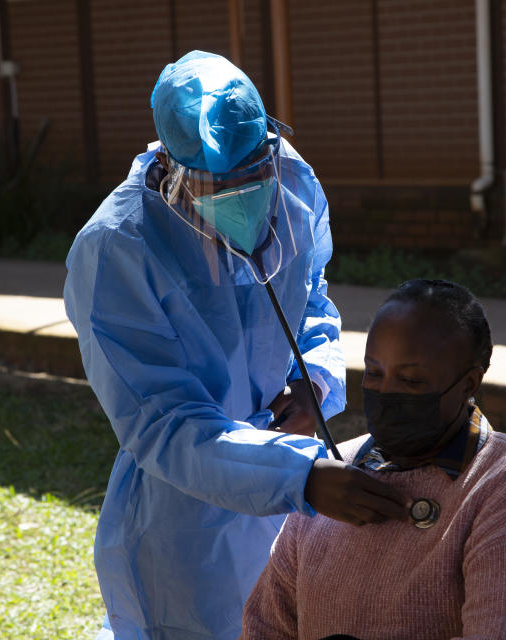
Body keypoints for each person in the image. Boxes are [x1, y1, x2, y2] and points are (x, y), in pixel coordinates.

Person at [63, 50, 410, 640]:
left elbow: (312, 303)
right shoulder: (118, 249)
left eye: (254, 172)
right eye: (217, 185)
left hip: (291, 465)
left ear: (270, 140)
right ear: (171, 167)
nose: (244, 192)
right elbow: (164, 424)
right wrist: (299, 477)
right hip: (186, 521)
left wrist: (314, 382)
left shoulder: (294, 185)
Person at [241, 279, 506, 640]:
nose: (386, 393)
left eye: (412, 381)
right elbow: (264, 628)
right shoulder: (331, 479)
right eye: (373, 373)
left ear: (468, 384)